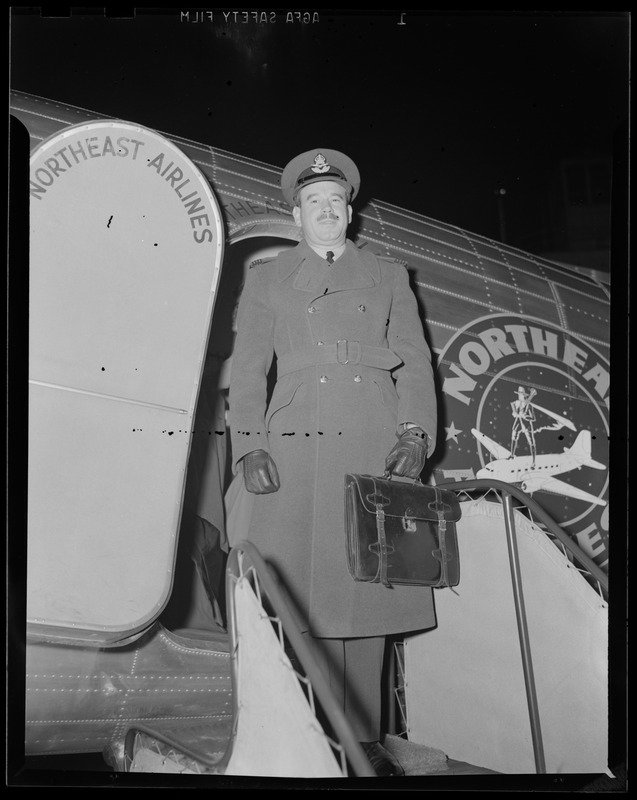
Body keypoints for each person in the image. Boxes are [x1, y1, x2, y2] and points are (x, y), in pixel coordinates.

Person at [228, 149, 438, 776]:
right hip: (293, 443)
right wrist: (250, 444)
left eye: (337, 203)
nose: (327, 211)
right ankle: (304, 723)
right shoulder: (268, 279)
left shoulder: (388, 274)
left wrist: (415, 436)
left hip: (371, 441)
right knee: (297, 586)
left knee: (367, 591)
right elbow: (247, 371)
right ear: (296, 213)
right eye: (314, 202)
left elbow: (416, 363)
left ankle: (367, 736)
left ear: (351, 214)